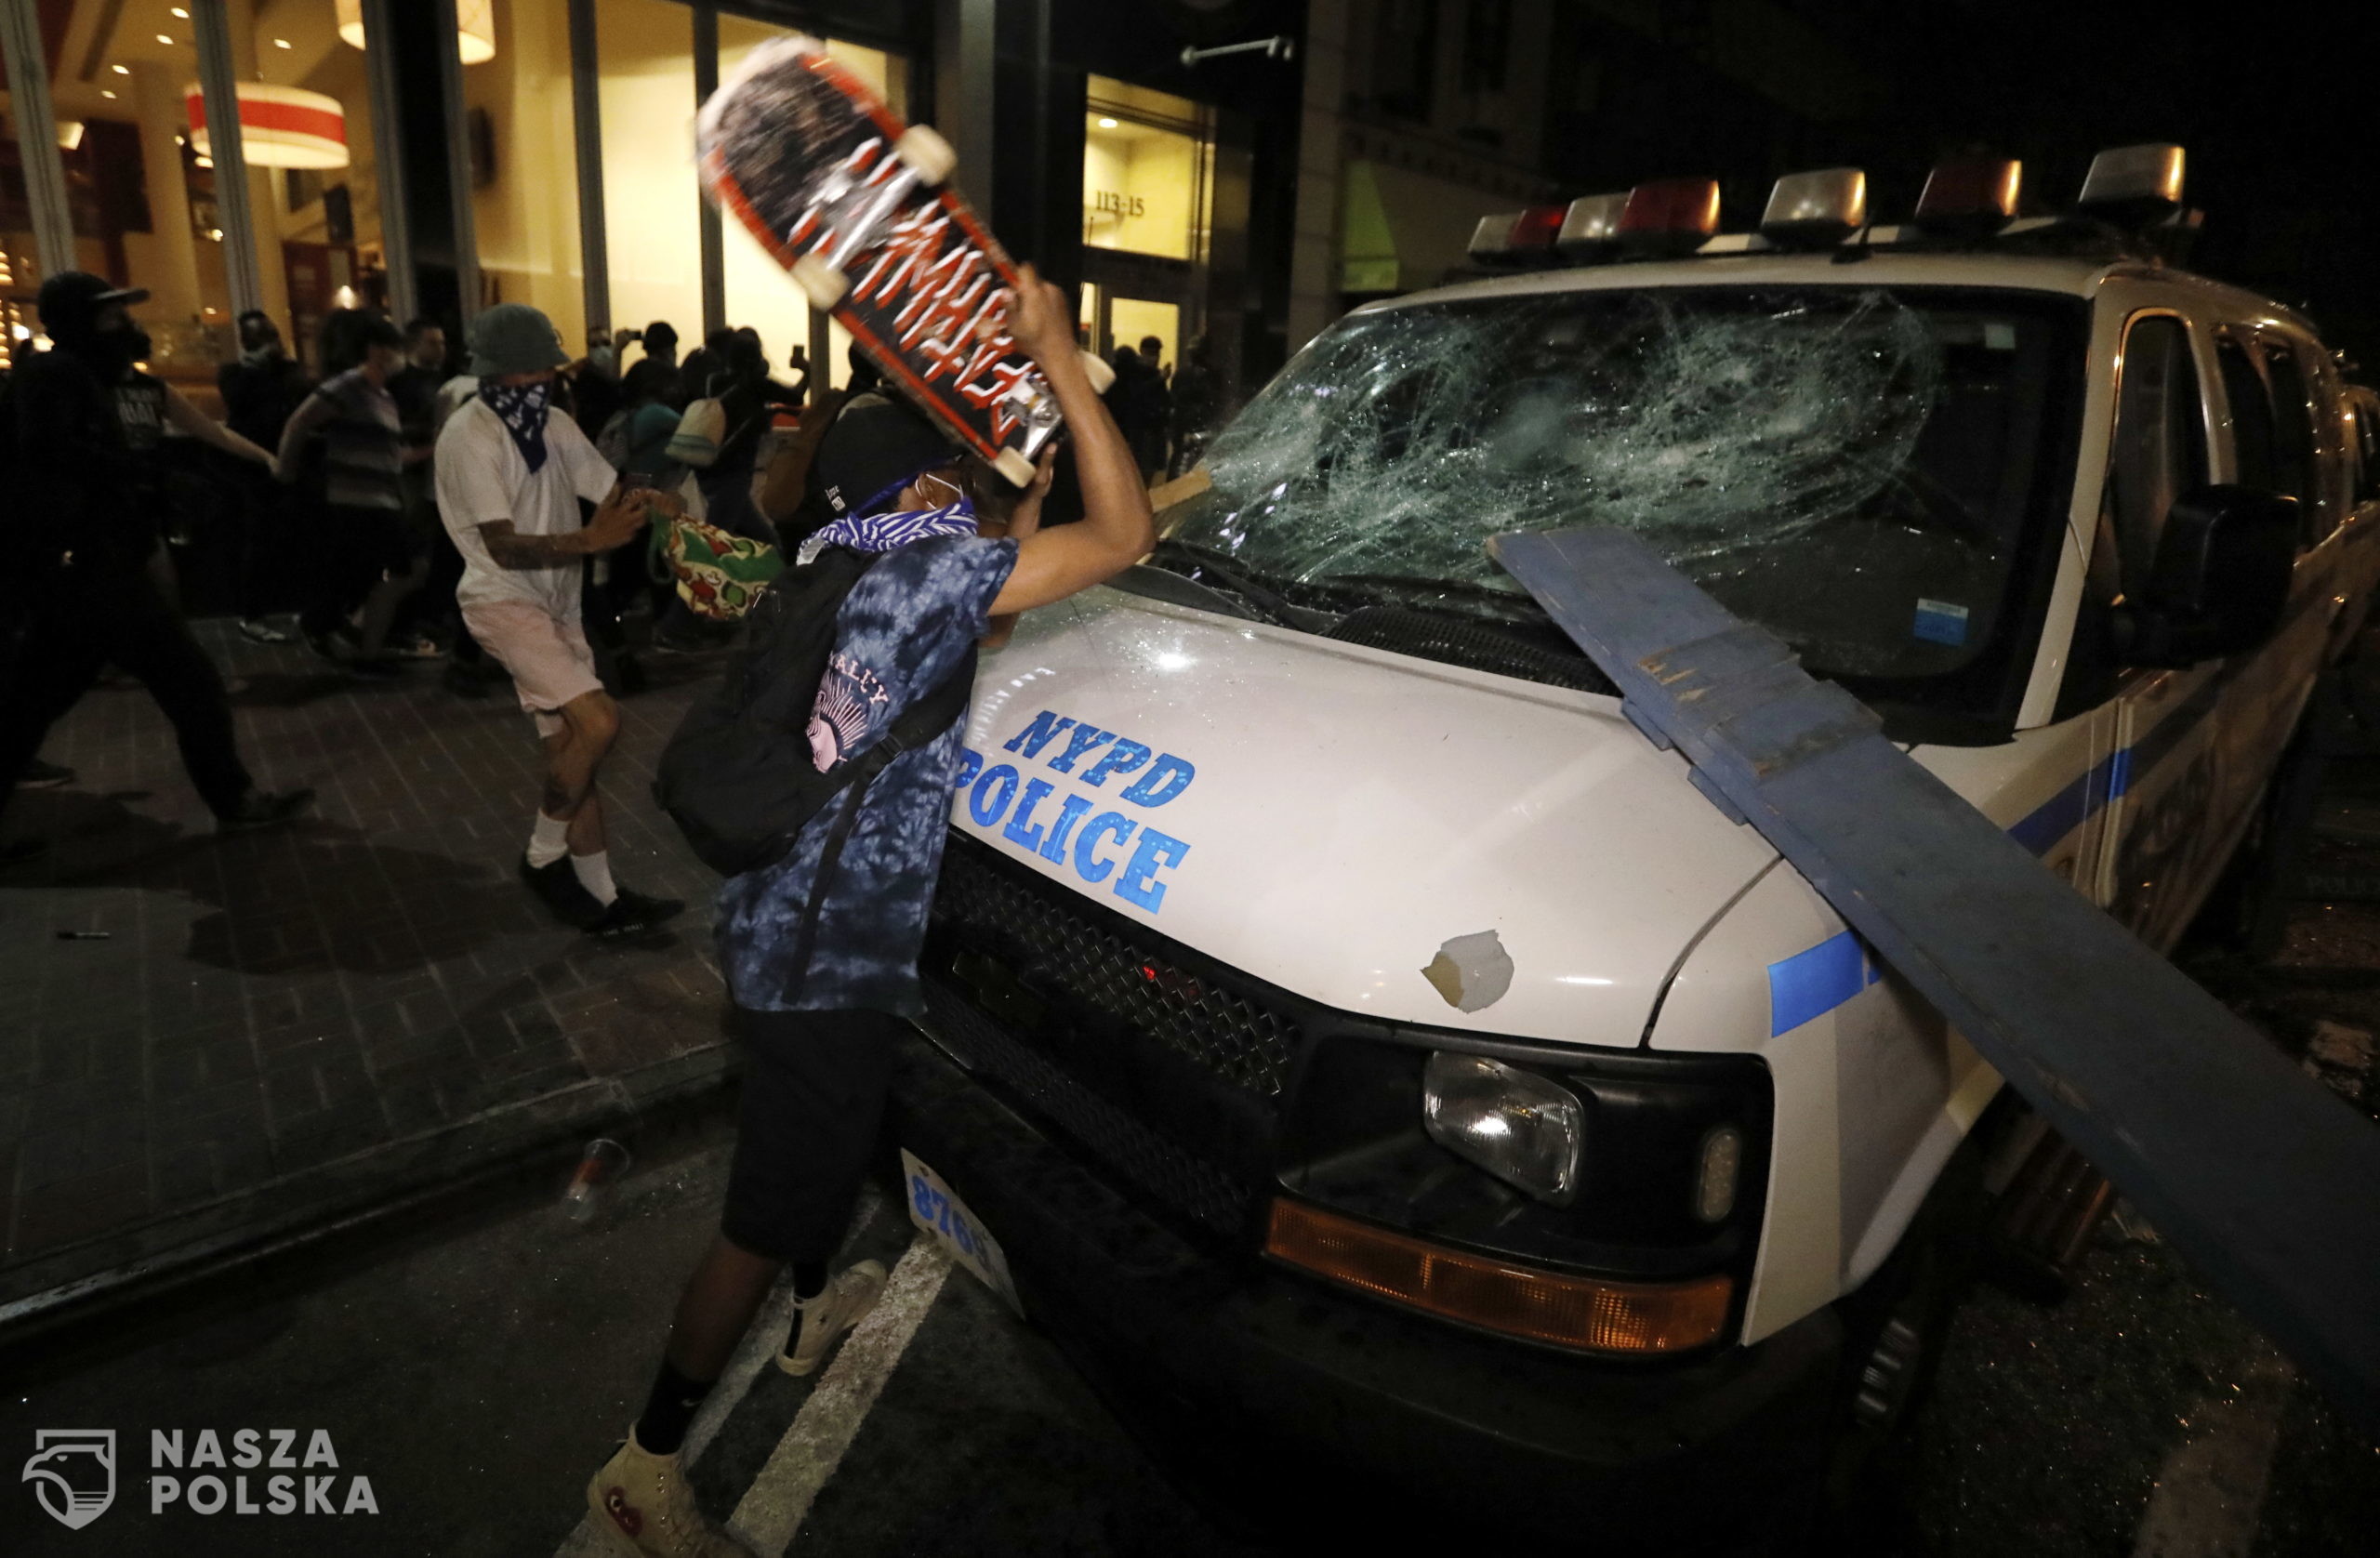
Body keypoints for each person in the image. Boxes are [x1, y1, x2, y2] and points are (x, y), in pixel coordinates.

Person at [585, 267, 1155, 1557]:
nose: (965, 499)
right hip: (826, 965)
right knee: (767, 1204)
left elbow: (976, 619)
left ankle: (809, 1315)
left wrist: (1021, 488)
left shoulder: (835, 565)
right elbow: (1124, 543)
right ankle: (645, 1464)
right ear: (920, 494)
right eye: (950, 485)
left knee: (829, 1141)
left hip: (772, 927)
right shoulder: (925, 580)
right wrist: (1060, 356)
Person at [1, 273, 312, 858]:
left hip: (86, 568)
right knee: (190, 684)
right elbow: (50, 455)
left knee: (33, 701)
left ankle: (236, 800)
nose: (126, 325)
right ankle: (236, 801)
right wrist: (151, 477)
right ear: (77, 321)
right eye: (110, 315)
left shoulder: (83, 377)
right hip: (90, 567)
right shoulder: (55, 375)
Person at [434, 303, 687, 938]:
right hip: (501, 597)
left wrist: (659, 503)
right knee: (600, 720)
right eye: (530, 372)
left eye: (545, 370)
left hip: (556, 602)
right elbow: (503, 545)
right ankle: (542, 857)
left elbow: (609, 491)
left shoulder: (554, 424)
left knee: (576, 751)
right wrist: (592, 542)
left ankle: (604, 903)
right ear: (498, 374)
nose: (541, 382)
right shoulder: (470, 437)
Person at [278, 310, 428, 678]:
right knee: (399, 570)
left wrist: (435, 447)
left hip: (381, 502)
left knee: (373, 573)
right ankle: (345, 636)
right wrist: (286, 469)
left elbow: (393, 459)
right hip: (355, 503)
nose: (400, 360)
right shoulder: (350, 385)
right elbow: (300, 421)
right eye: (395, 349)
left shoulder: (383, 397)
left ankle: (356, 641)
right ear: (376, 349)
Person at [217, 309, 315, 643]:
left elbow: (303, 397)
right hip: (253, 468)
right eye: (258, 339)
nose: (268, 345)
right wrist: (258, 366)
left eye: (270, 336)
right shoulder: (234, 373)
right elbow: (239, 401)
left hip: (293, 462)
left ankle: (305, 608)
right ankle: (253, 616)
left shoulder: (288, 370)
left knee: (302, 538)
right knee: (259, 544)